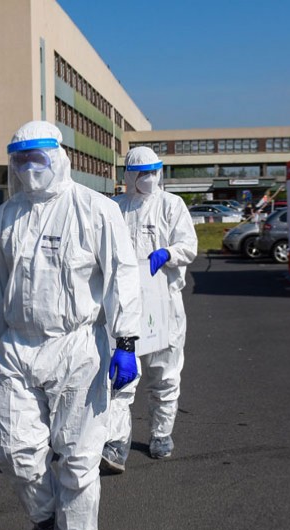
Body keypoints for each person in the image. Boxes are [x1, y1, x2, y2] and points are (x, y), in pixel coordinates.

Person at [0, 121, 141, 530]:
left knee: (77, 454)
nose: (28, 167)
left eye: (37, 157)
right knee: (14, 451)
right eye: (19, 159)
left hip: (78, 346)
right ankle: (45, 519)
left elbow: (122, 275)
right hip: (17, 346)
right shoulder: (7, 215)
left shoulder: (95, 209)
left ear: (58, 156)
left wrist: (126, 342)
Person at [101, 146, 198, 474]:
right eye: (142, 173)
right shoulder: (115, 207)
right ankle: (116, 443)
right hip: (123, 305)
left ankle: (161, 434)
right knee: (119, 377)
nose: (149, 178)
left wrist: (168, 253)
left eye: (154, 172)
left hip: (163, 304)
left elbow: (189, 246)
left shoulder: (172, 205)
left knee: (165, 374)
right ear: (129, 175)